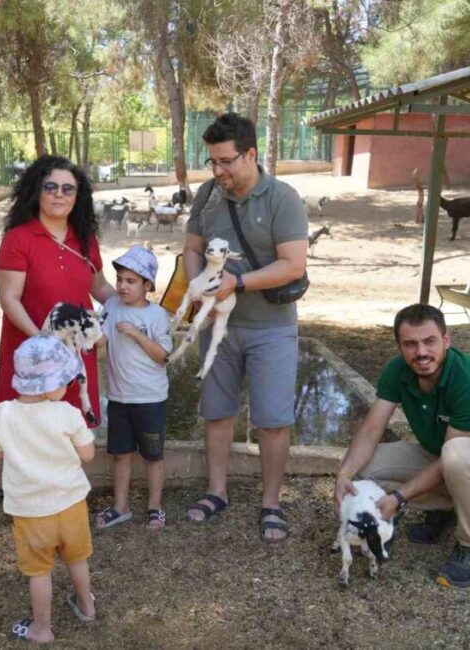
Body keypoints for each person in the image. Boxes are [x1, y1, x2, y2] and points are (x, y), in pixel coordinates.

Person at [333, 304, 470, 588]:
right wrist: (343, 476)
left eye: (430, 341)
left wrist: (399, 497)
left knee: (457, 455)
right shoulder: (397, 370)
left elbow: (453, 457)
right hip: (447, 458)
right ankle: (440, 514)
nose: (421, 352)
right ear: (399, 346)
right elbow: (370, 431)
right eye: (410, 344)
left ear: (446, 340)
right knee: (363, 465)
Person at [181, 113, 308, 543]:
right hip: (218, 326)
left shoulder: (283, 198)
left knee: (272, 420)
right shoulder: (208, 194)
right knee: (217, 413)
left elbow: (293, 265)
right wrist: (199, 286)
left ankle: (271, 503)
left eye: (226, 162)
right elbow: (192, 248)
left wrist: (238, 283)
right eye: (212, 162)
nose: (218, 172)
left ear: (250, 154)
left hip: (270, 328)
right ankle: (217, 491)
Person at [0, 335, 97, 643]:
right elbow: (88, 454)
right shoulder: (67, 413)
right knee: (77, 559)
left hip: (30, 511)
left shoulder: (4, 413)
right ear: (50, 386)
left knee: (39, 571)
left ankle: (42, 628)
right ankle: (87, 606)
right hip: (72, 505)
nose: (68, 386)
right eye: (64, 380)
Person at [0, 155, 115, 425]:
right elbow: (9, 299)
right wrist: (44, 341)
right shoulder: (19, 239)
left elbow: (100, 287)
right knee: (29, 436)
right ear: (37, 191)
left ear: (78, 196)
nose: (59, 195)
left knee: (73, 435)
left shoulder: (85, 239)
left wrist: (136, 305)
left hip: (75, 355)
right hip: (32, 354)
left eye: (67, 189)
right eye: (51, 187)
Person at [94, 245, 173, 531]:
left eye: (131, 281)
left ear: (147, 284)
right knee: (121, 453)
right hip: (118, 398)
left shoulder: (157, 316)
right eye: (120, 280)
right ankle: (121, 506)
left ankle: (155, 507)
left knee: (153, 454)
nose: (123, 287)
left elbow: (164, 357)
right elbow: (100, 339)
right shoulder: (111, 306)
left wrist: (137, 335)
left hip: (150, 400)